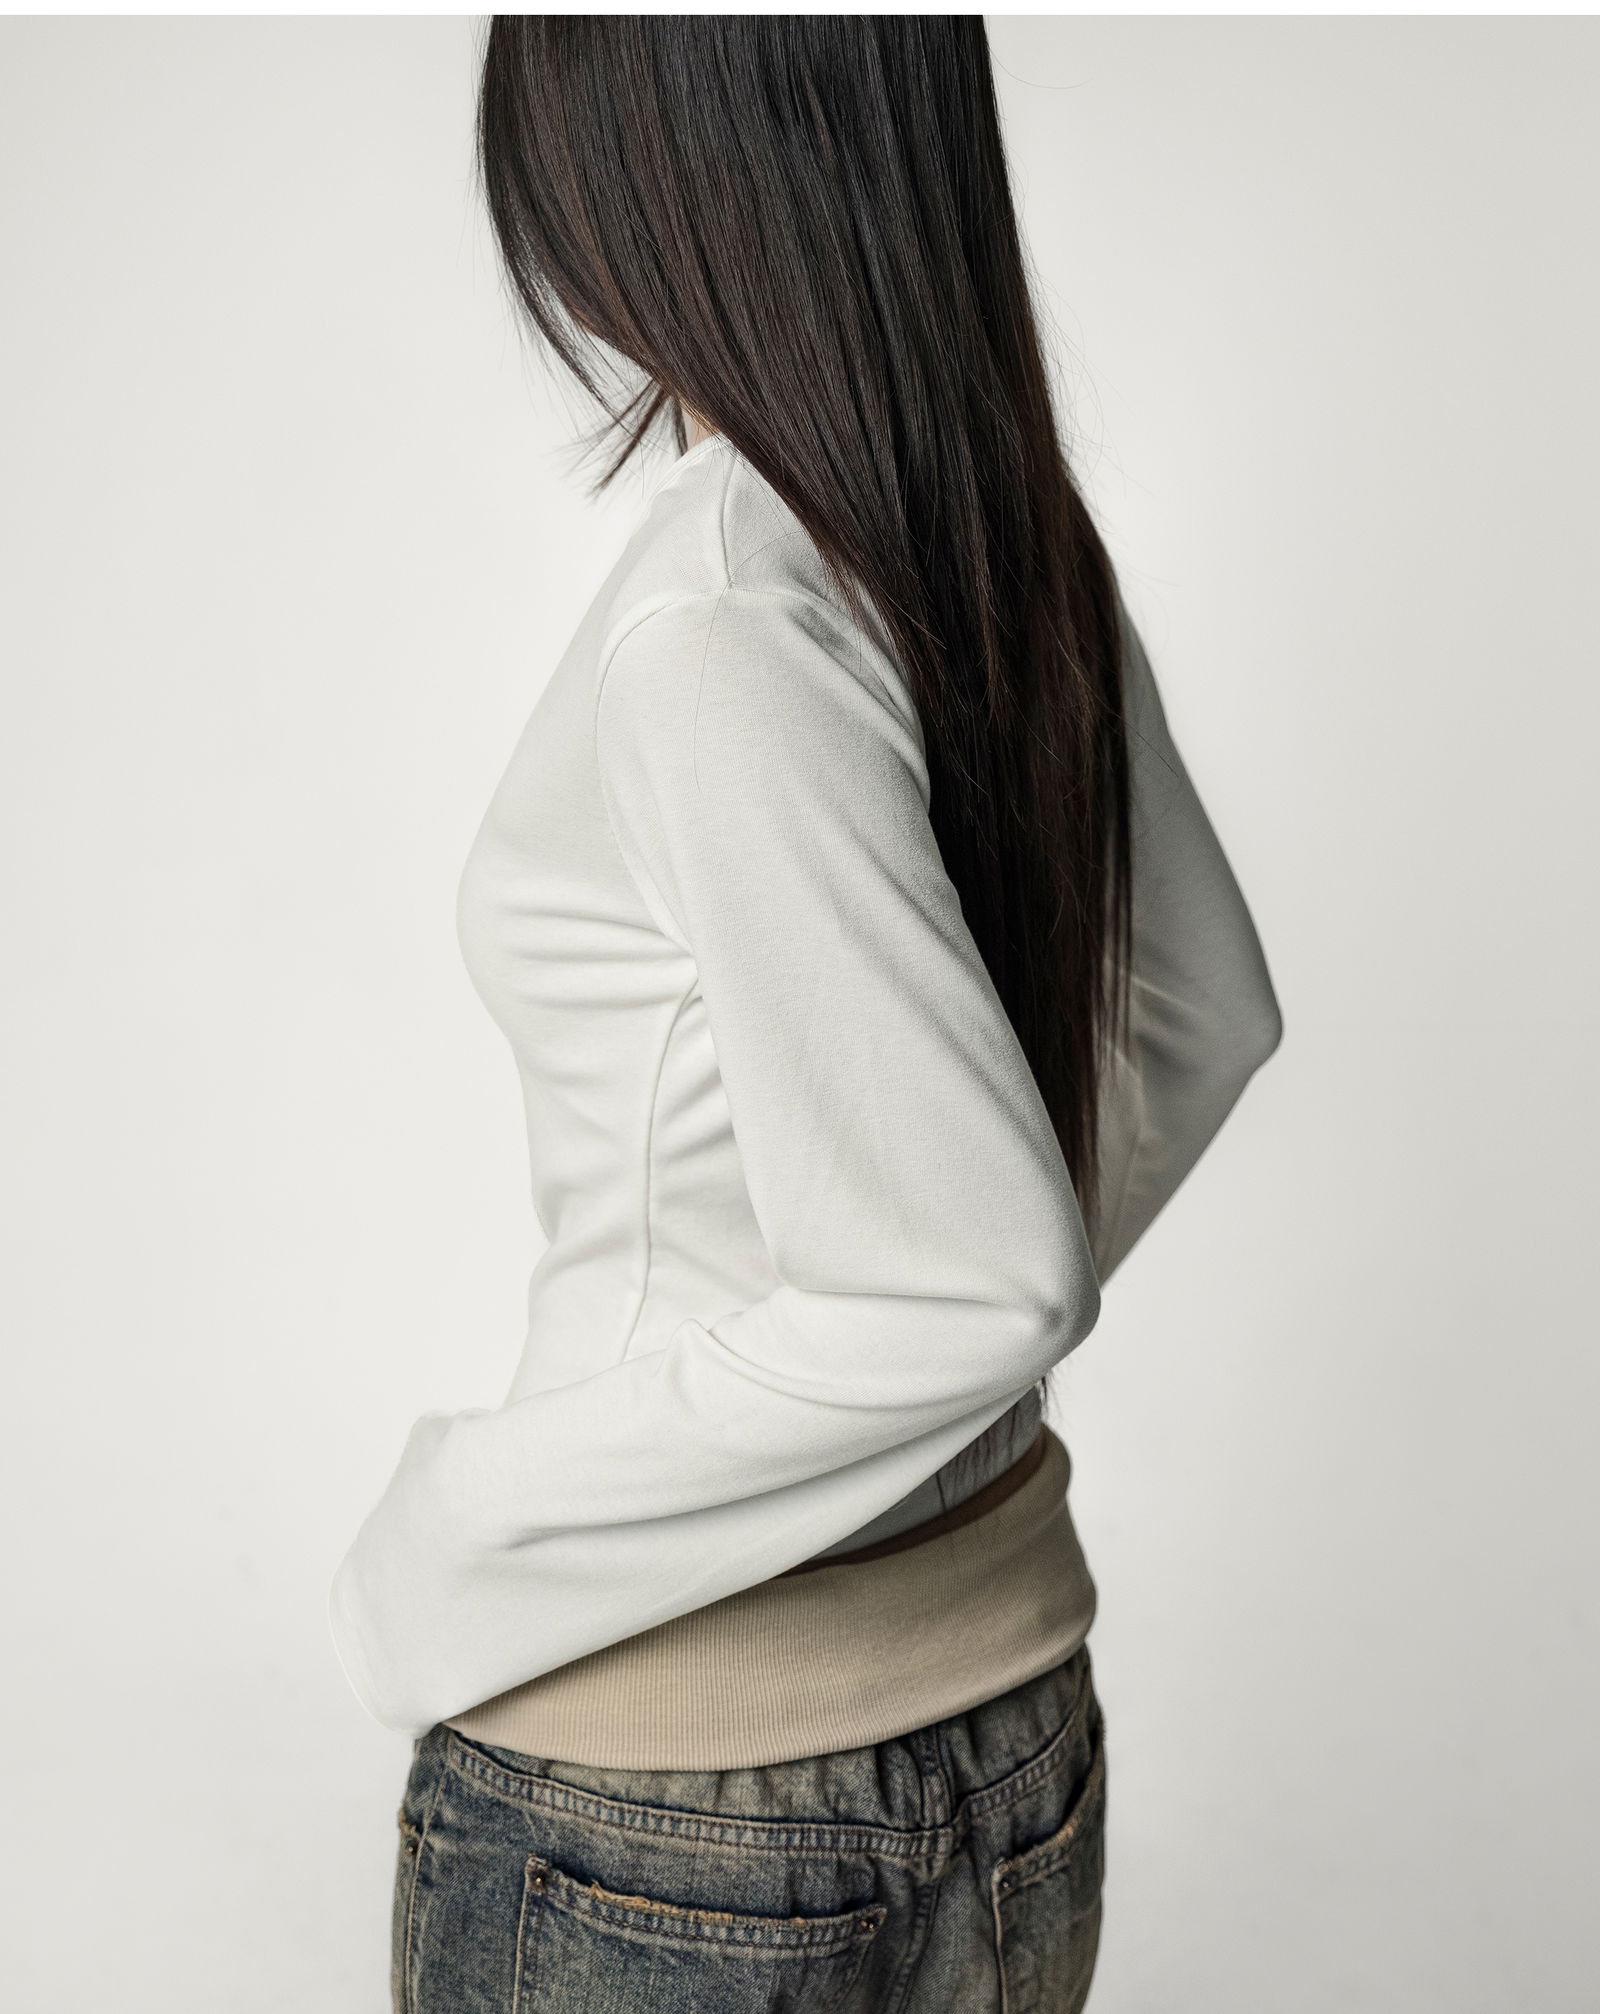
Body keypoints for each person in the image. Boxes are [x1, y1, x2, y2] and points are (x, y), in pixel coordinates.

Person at [329, 18, 1282, 2012]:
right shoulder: (984, 527)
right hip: (1004, 1730)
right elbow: (1193, 1015)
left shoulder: (716, 625)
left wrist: (466, 1518)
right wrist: (918, 1372)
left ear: (631, 149)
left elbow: (969, 1277)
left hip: (663, 1802)